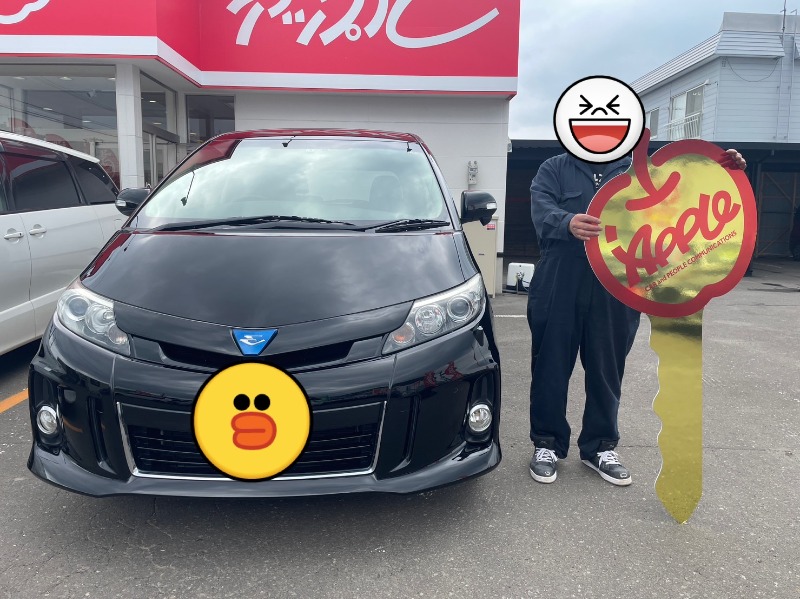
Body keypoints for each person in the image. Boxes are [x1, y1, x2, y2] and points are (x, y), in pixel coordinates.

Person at [527, 147, 747, 486]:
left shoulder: (642, 172)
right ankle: (547, 444)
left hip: (618, 280)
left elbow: (685, 198)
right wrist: (565, 221)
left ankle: (600, 447)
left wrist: (722, 170)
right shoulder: (554, 168)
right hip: (560, 277)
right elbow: (541, 207)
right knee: (550, 365)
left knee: (607, 367)